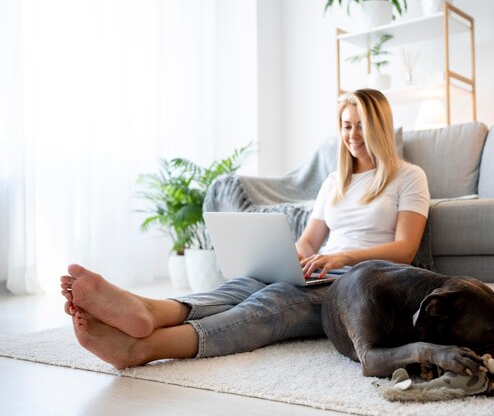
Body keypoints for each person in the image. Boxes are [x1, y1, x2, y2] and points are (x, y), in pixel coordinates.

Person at [60, 88, 430, 369]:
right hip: (324, 271)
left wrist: (342, 257)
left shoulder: (408, 177)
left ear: (379, 126)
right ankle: (150, 310)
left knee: (272, 302)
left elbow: (405, 249)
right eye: (346, 126)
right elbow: (309, 240)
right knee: (244, 285)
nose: (352, 135)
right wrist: (288, 258)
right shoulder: (334, 181)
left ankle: (145, 347)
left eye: (360, 125)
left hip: (358, 285)